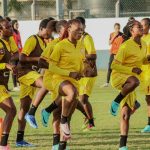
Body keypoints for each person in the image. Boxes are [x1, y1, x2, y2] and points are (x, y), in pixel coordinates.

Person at [16, 19, 57, 147]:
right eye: (49, 31)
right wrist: (38, 59)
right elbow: (22, 58)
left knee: (24, 107)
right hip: (24, 73)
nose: (50, 33)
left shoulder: (45, 43)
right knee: (46, 84)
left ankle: (19, 140)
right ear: (41, 28)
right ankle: (32, 113)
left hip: (32, 75)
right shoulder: (32, 39)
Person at [110, 20, 150, 150]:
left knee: (125, 113)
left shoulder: (143, 44)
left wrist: (148, 59)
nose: (141, 28)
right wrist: (131, 70)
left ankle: (122, 146)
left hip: (130, 82)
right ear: (132, 31)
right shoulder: (126, 46)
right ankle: (116, 101)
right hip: (120, 77)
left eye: (141, 26)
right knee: (135, 81)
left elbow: (142, 60)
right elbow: (114, 65)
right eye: (139, 26)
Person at [46, 19, 83, 150]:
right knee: (71, 94)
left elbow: (80, 65)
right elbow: (51, 67)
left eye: (82, 29)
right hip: (58, 80)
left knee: (69, 116)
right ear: (69, 30)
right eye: (77, 29)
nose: (80, 31)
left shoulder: (80, 45)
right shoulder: (60, 46)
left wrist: (83, 71)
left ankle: (62, 146)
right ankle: (62, 122)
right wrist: (69, 73)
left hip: (73, 82)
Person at [76, 16, 97, 131]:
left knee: (83, 99)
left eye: (81, 25)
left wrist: (80, 56)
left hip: (88, 73)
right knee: (77, 99)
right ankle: (88, 118)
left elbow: (93, 55)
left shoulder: (87, 38)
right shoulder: (76, 39)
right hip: (80, 73)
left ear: (84, 26)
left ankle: (91, 122)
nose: (79, 28)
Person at [0, 19, 18, 150]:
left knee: (10, 110)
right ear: (0, 30)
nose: (11, 29)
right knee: (11, 109)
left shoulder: (8, 41)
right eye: (8, 27)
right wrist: (5, 65)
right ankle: (3, 145)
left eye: (11, 26)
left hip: (2, 83)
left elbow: (16, 54)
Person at [103, 23, 124, 87]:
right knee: (110, 67)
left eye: (118, 28)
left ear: (119, 28)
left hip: (119, 54)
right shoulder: (111, 34)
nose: (117, 29)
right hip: (112, 53)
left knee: (120, 69)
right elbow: (109, 43)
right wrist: (114, 36)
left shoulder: (122, 35)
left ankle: (121, 81)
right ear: (114, 28)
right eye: (116, 28)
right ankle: (107, 83)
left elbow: (124, 45)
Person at [140, 18, 150, 133]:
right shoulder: (140, 40)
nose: (142, 28)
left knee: (149, 99)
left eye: (144, 25)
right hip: (142, 74)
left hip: (149, 74)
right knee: (147, 98)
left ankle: (149, 124)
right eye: (140, 26)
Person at [11, 19, 22, 91]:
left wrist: (21, 51)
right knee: (14, 68)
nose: (17, 26)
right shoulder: (11, 33)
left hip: (19, 53)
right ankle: (14, 86)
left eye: (18, 24)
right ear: (12, 25)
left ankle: (19, 84)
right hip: (13, 54)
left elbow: (19, 43)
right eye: (16, 24)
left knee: (19, 68)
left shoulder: (18, 32)